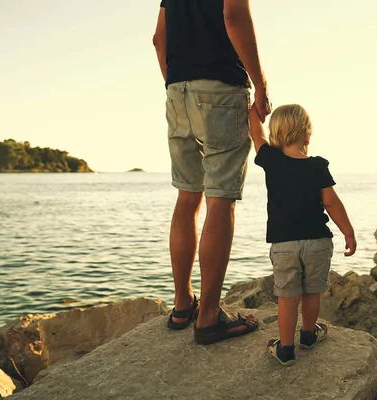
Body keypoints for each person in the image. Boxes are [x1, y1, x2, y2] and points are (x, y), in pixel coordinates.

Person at [152, 0, 271, 344]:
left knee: (188, 196)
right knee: (220, 200)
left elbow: (160, 39)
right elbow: (233, 17)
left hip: (177, 91)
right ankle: (208, 317)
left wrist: (176, 86)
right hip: (221, 89)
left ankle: (182, 304)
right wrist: (259, 81)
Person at [249, 103, 357, 365]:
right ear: (307, 135)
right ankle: (309, 335)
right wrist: (349, 232)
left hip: (284, 243)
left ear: (276, 134)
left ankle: (285, 349)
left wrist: (254, 108)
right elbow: (331, 203)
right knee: (311, 292)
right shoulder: (318, 165)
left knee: (287, 297)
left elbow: (256, 133)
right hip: (318, 241)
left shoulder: (271, 159)